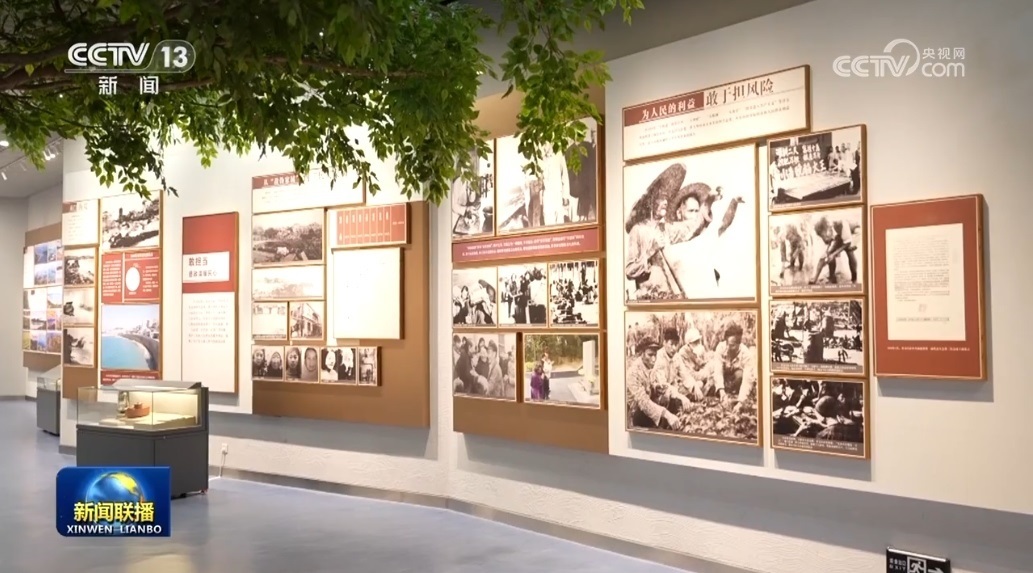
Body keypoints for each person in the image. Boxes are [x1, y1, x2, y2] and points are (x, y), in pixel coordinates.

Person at [626, 338, 682, 431]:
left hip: (646, 408)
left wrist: (656, 387)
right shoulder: (633, 373)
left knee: (669, 398)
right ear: (642, 354)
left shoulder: (648, 367)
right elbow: (643, 402)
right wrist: (667, 415)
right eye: (650, 355)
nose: (653, 359)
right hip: (634, 414)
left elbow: (648, 385)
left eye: (655, 355)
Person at [625, 196, 676, 298]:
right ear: (651, 204)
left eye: (666, 199)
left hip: (669, 295)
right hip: (650, 297)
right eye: (661, 199)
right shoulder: (637, 230)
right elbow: (629, 271)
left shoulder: (665, 229)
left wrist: (705, 210)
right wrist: (651, 251)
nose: (665, 202)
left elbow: (688, 228)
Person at [710, 323, 756, 404]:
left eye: (732, 345)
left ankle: (735, 393)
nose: (728, 347)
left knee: (740, 376)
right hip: (724, 377)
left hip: (736, 378)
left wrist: (741, 402)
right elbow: (718, 371)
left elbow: (747, 380)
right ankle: (723, 391)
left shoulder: (746, 355)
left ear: (739, 343)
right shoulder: (721, 348)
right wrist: (721, 391)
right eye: (727, 344)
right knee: (711, 382)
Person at [810, 215, 858, 285]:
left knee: (850, 252)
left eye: (824, 236)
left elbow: (848, 243)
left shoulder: (838, 222)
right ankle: (831, 278)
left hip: (853, 233)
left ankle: (854, 279)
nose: (824, 238)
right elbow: (831, 240)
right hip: (840, 234)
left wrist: (834, 254)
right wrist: (827, 252)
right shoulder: (828, 227)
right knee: (828, 254)